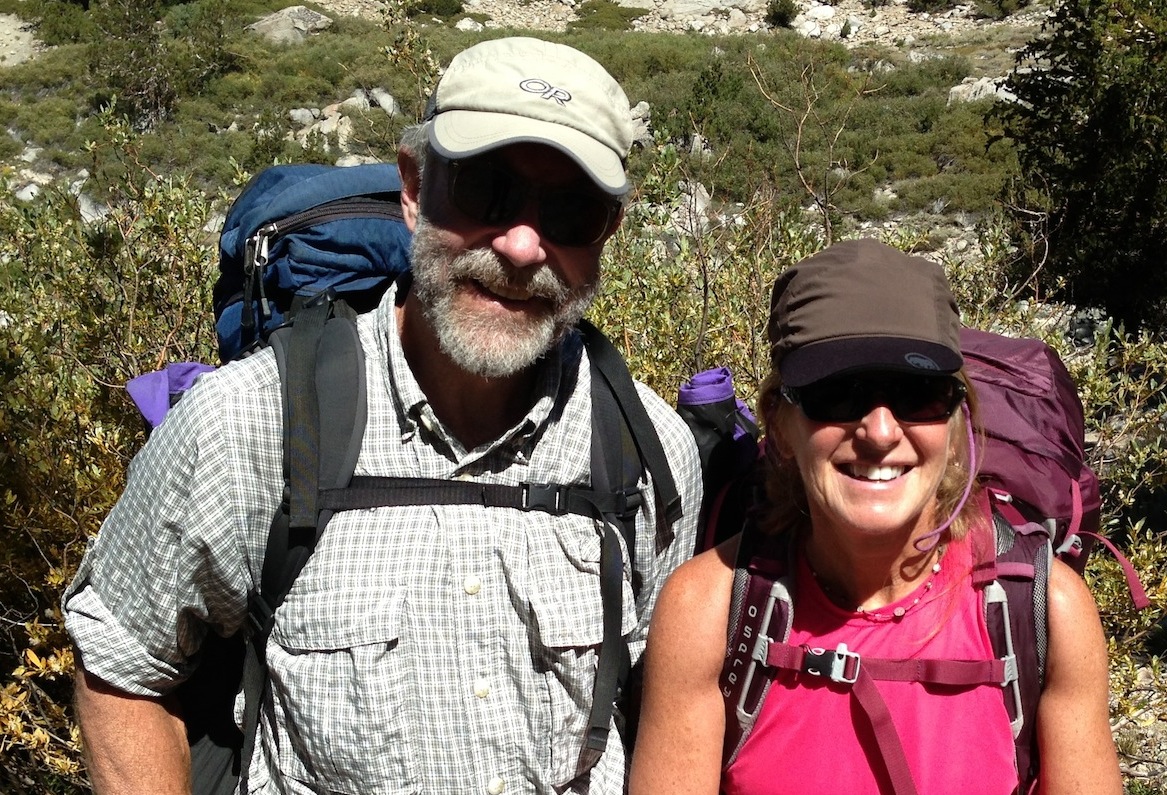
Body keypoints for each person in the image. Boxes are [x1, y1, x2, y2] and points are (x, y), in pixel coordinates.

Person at [64, 36, 701, 795]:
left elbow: (664, 717)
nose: (523, 245)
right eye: (485, 191)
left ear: (605, 237)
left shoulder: (644, 449)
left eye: (570, 211)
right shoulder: (249, 424)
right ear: (412, 187)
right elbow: (123, 666)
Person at [629, 239, 1121, 795]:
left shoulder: (1046, 611)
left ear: (958, 424)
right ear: (781, 426)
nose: (881, 433)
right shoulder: (706, 612)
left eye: (919, 394)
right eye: (839, 393)